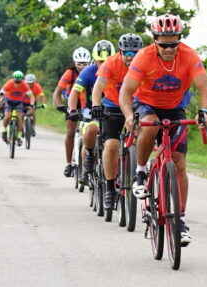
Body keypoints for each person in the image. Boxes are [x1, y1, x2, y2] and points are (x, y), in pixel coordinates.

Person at [120, 14, 207, 246]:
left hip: (175, 108)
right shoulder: (144, 57)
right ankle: (140, 172)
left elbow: (205, 87)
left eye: (174, 43)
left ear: (179, 40)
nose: (169, 49)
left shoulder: (189, 55)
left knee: (180, 163)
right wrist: (130, 116)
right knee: (149, 125)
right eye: (164, 44)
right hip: (146, 104)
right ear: (155, 40)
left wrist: (205, 111)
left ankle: (180, 220)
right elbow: (125, 92)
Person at [91, 33, 144, 209]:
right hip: (112, 106)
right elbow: (98, 87)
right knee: (112, 145)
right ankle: (109, 186)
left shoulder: (145, 62)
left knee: (142, 138)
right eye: (126, 53)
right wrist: (96, 105)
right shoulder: (111, 63)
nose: (130, 57)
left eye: (134, 53)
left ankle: (139, 171)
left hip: (135, 105)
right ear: (120, 52)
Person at [68, 40, 116, 184]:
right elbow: (74, 93)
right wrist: (72, 109)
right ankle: (88, 156)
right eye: (100, 61)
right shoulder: (88, 71)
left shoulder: (118, 69)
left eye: (107, 60)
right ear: (94, 59)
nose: (103, 64)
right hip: (91, 110)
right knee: (91, 129)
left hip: (113, 109)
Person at [54, 47, 92, 177]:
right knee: (70, 132)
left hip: (87, 104)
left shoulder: (92, 71)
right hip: (73, 105)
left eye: (85, 64)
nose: (82, 66)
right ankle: (69, 163)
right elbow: (57, 93)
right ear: (75, 63)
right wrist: (60, 106)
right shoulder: (70, 73)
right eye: (79, 64)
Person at [0, 71, 36, 145]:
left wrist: (32, 105)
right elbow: (1, 93)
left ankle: (19, 137)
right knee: (7, 117)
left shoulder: (24, 85)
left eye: (19, 81)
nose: (17, 82)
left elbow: (31, 96)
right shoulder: (9, 83)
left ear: (22, 79)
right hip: (9, 102)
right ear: (13, 79)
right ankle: (4, 131)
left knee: (20, 118)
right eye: (16, 80)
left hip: (19, 103)